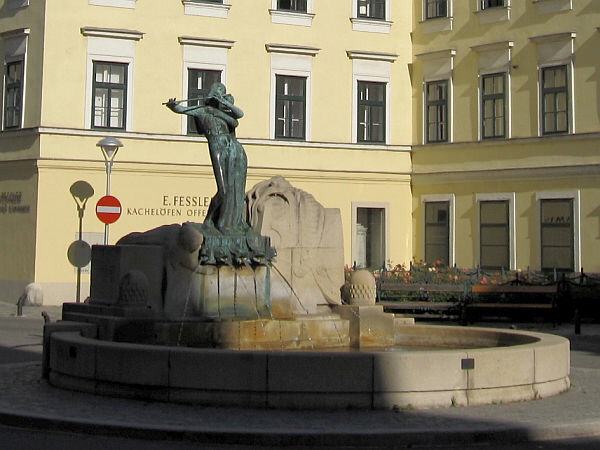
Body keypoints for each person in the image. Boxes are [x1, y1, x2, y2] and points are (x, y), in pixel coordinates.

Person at [166, 83, 248, 234]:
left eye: (220, 92)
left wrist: (224, 104)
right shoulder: (202, 110)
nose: (217, 94)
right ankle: (209, 221)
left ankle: (224, 222)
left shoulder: (224, 112)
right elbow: (182, 109)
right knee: (223, 189)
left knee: (233, 188)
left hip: (231, 147)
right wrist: (173, 106)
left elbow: (238, 117)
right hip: (216, 145)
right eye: (216, 91)